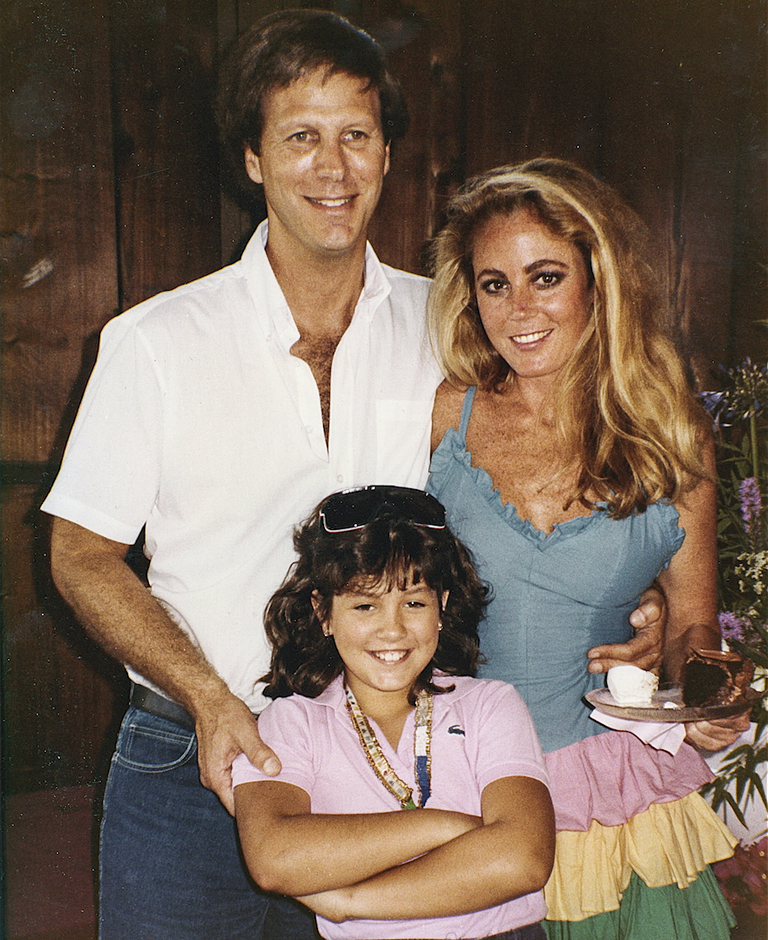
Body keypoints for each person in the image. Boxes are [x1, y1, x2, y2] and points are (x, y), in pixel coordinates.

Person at [41, 8, 663, 937]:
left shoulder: (446, 328)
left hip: (374, 762)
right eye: (301, 137)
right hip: (192, 752)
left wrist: (628, 601)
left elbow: (549, 462)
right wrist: (210, 699)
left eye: (356, 137)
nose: (332, 169)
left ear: (383, 155)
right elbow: (80, 555)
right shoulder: (155, 343)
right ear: (252, 159)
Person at [425, 157, 751, 939]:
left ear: (596, 283)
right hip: (460, 781)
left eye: (546, 277)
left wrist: (709, 694)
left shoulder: (672, 433)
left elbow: (690, 627)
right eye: (494, 283)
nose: (519, 309)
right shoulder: (443, 417)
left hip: (605, 793)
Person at [232, 485, 555, 940]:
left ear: (442, 605)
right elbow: (275, 859)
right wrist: (445, 827)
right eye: (365, 605)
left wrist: (349, 902)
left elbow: (521, 858)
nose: (393, 629)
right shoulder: (291, 723)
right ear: (323, 612)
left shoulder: (490, 704)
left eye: (414, 603)